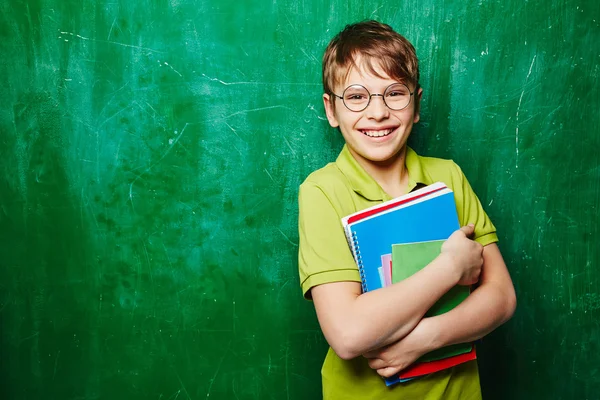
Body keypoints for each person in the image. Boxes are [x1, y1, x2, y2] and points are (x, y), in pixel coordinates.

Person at [297, 20, 517, 399]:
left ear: (416, 104)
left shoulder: (448, 176)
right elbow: (348, 334)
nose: (378, 112)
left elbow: (502, 297)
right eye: (356, 96)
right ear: (331, 110)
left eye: (394, 93)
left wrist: (426, 339)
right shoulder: (322, 191)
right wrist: (450, 268)